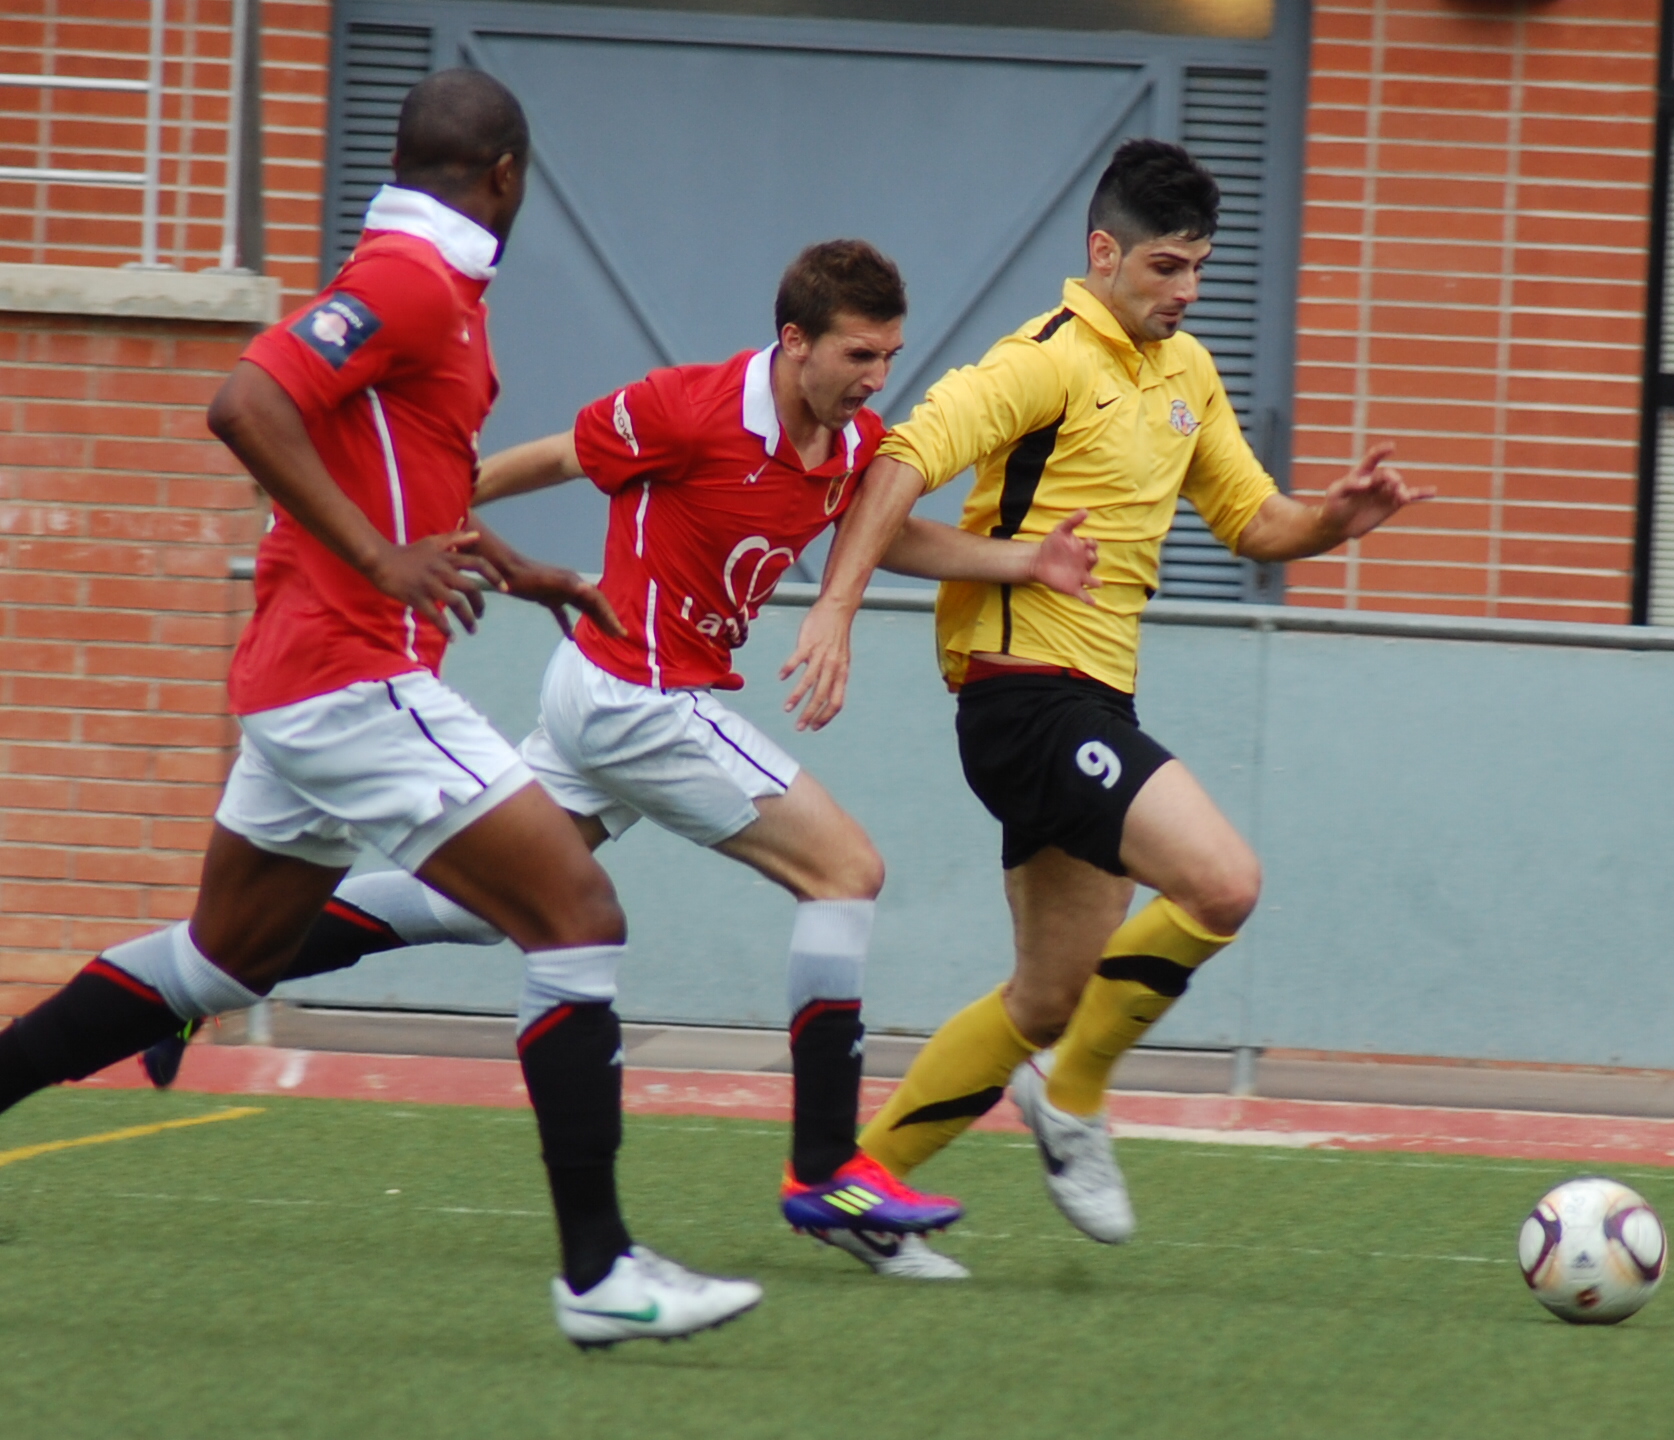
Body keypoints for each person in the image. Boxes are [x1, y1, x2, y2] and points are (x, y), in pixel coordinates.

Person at [145, 240, 1101, 1281]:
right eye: (861, 354)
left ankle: (195, 973)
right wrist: (429, 524)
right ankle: (828, 1168)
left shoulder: (849, 440)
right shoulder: (685, 408)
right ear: (794, 342)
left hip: (608, 708)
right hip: (634, 695)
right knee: (847, 871)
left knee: (475, 907)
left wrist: (1027, 561)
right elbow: (552, 458)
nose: (879, 378)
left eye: (891, 355)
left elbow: (880, 534)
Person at [0, 69, 764, 1348]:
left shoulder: (430, 283)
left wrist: (508, 566)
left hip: (303, 684)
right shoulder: (411, 278)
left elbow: (388, 466)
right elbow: (245, 401)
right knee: (577, 915)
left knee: (220, 961)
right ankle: (600, 1276)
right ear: (508, 175)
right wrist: (379, 561)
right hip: (353, 675)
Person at [779, 139, 1433, 1245]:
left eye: (1198, 270)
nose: (1186, 293)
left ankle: (859, 1190)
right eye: (1166, 268)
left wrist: (1334, 520)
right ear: (1103, 253)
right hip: (1024, 700)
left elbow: (1252, 521)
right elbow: (897, 461)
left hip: (1093, 710)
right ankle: (1072, 1094)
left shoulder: (1189, 375)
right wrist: (836, 607)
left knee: (1045, 995)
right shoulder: (1042, 359)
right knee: (1223, 883)